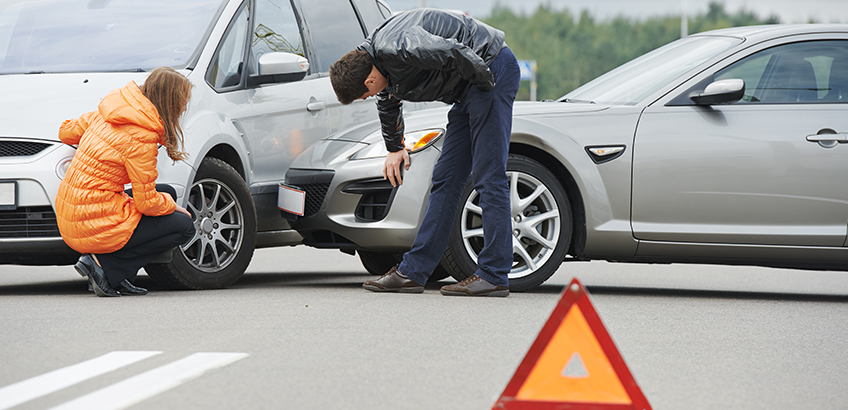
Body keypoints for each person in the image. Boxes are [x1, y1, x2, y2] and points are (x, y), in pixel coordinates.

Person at [329, 9, 520, 297]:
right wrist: (394, 147)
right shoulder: (376, 60)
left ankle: (494, 274)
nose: (369, 97)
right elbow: (388, 100)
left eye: (364, 95)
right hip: (469, 88)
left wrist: (486, 88)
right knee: (445, 178)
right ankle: (413, 273)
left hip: (489, 71)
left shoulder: (400, 46)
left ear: (368, 81)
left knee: (488, 174)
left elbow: (454, 52)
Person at [55, 66, 196, 297]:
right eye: (183, 103)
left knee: (167, 190)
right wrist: (173, 206)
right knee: (184, 226)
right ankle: (105, 267)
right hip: (92, 221)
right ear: (171, 103)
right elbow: (147, 203)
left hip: (71, 211)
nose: (183, 109)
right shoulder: (142, 137)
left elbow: (65, 132)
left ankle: (118, 276)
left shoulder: (110, 111)